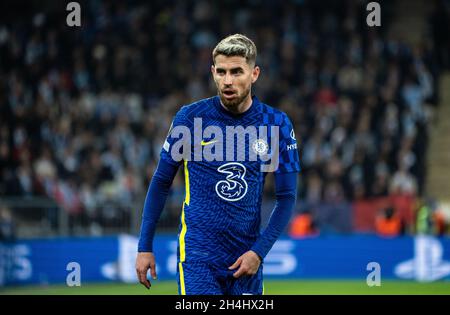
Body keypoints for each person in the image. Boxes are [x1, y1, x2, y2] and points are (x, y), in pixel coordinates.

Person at [135, 34, 300, 295]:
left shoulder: (276, 124)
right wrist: (144, 246)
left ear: (254, 74)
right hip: (198, 257)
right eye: (221, 72)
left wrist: (258, 252)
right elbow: (161, 182)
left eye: (237, 72)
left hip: (246, 260)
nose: (227, 81)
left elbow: (287, 197)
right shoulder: (190, 118)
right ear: (212, 72)